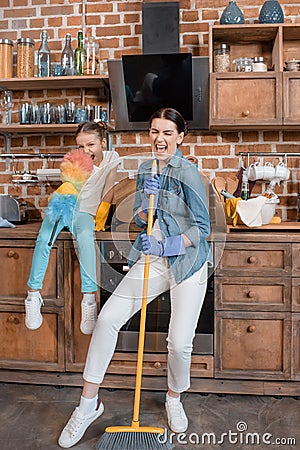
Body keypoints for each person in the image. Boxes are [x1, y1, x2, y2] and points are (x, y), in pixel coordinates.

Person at [58, 108, 211, 448]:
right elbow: (143, 216)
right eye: (155, 131)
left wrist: (167, 242)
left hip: (188, 262)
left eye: (168, 132)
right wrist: (144, 220)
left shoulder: (190, 173)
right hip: (154, 259)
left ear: (180, 137)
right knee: (108, 319)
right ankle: (88, 405)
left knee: (179, 342)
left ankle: (173, 398)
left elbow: (202, 229)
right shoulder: (145, 169)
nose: (160, 138)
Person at [24, 121, 119, 335]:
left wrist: (103, 211)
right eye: (81, 146)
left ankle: (88, 299)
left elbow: (110, 187)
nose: (86, 150)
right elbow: (69, 184)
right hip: (64, 204)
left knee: (86, 241)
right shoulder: (75, 160)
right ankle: (33, 294)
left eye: (91, 144)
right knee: (44, 239)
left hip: (85, 212)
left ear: (102, 142)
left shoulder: (113, 159)